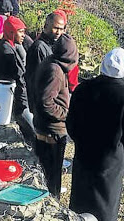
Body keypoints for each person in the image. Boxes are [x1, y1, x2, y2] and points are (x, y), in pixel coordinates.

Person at [66, 48, 124, 221]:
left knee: (82, 203)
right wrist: (116, 150)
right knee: (104, 210)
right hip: (110, 162)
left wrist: (82, 142)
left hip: (84, 156)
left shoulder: (83, 89)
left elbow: (71, 124)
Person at [33, 34, 78, 198]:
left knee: (47, 169)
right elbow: (46, 102)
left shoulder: (52, 63)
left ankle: (49, 197)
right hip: (52, 130)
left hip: (46, 126)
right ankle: (53, 201)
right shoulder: (55, 71)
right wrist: (66, 114)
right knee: (52, 171)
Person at [0, 16, 34, 140]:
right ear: (11, 32)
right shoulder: (6, 50)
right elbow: (18, 75)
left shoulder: (8, 46)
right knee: (27, 120)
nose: (23, 35)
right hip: (13, 93)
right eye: (20, 31)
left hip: (10, 92)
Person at [25, 11, 66, 113]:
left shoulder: (54, 46)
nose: (58, 32)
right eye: (55, 28)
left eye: (61, 29)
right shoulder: (39, 47)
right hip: (41, 102)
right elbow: (37, 79)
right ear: (46, 26)